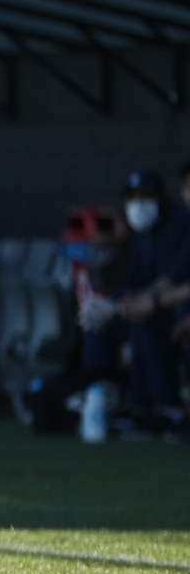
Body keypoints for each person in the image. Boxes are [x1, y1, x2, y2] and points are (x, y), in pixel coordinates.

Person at [92, 168, 186, 429]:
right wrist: (117, 302)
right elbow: (133, 279)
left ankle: (166, 407)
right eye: (133, 198)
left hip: (175, 308)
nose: (138, 204)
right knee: (98, 324)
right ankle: (109, 398)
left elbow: (173, 280)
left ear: (163, 196)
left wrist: (137, 302)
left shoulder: (180, 224)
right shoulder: (142, 232)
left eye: (145, 196)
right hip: (148, 304)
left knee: (146, 320)